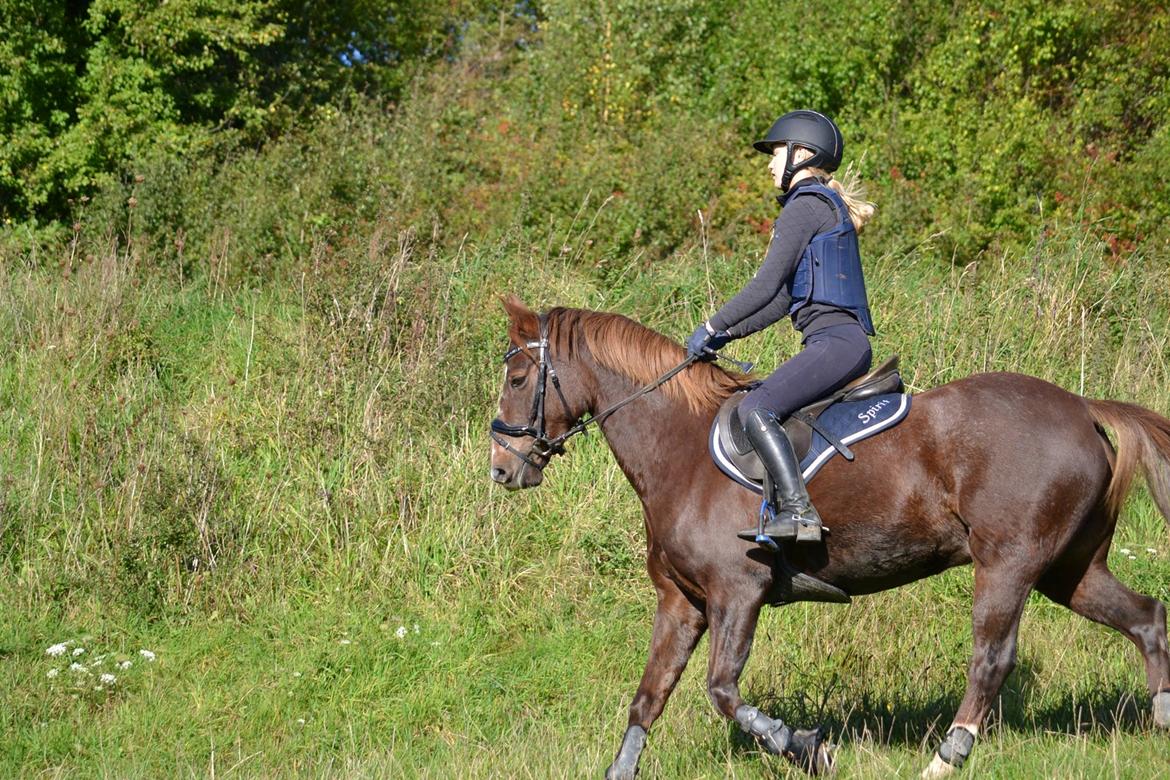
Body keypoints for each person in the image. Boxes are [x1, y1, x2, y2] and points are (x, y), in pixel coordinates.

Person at [686, 110, 876, 545]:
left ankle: (799, 512)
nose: (770, 164)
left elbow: (765, 284)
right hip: (837, 342)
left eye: (776, 154)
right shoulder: (815, 206)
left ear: (802, 154)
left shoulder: (805, 205)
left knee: (756, 408)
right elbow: (780, 301)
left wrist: (710, 323)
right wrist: (722, 336)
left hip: (836, 342)